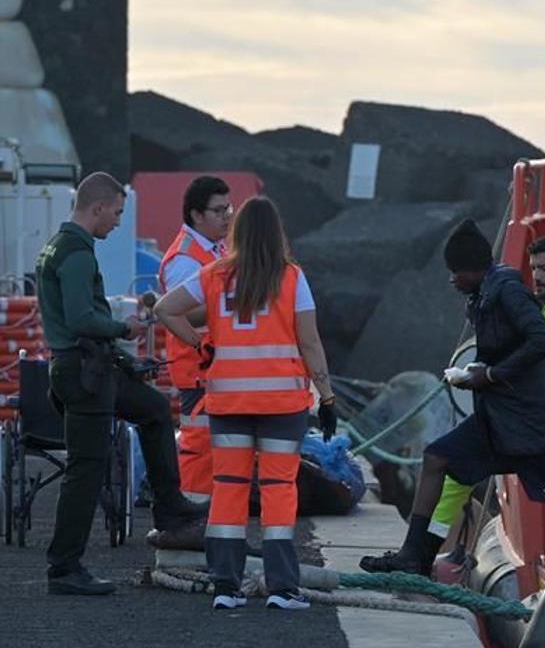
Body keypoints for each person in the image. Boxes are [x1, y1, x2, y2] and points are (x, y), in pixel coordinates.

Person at [360, 220, 545, 576]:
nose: (451, 280)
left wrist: (490, 375)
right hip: (503, 419)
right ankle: (415, 554)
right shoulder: (487, 295)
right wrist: (479, 372)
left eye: (455, 272)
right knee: (437, 459)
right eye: (534, 268)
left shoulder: (510, 292)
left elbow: (542, 342)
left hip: (538, 425)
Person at [154, 196, 337, 611]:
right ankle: (281, 589)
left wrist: (200, 343)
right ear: (276, 233)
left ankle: (225, 587)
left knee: (229, 491)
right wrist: (326, 397)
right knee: (277, 491)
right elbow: (309, 341)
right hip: (281, 404)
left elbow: (166, 309)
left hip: (229, 401)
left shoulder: (214, 274)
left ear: (237, 231)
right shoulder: (291, 277)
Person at [35, 172, 204, 596]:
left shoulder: (56, 247)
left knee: (152, 410)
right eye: (116, 212)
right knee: (85, 470)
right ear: (97, 207)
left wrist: (125, 361)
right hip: (83, 373)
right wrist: (122, 328)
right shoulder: (76, 253)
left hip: (86, 367)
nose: (117, 221)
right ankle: (64, 568)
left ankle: (170, 506)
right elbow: (80, 320)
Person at [428, 235, 545, 557]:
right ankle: (425, 550)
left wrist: (542, 344)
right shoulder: (519, 307)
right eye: (532, 269)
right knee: (453, 473)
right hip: (517, 417)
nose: (537, 277)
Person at [157, 175, 231, 520]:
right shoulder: (185, 258)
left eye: (228, 208)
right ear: (196, 215)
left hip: (215, 368)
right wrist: (230, 302)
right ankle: (191, 524)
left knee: (216, 450)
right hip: (197, 369)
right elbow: (181, 311)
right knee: (200, 449)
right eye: (218, 210)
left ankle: (210, 524)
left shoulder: (217, 250)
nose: (227, 216)